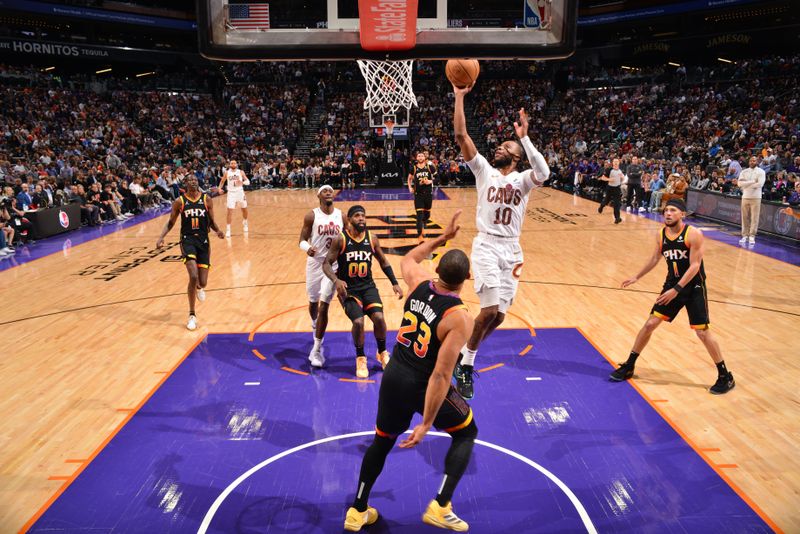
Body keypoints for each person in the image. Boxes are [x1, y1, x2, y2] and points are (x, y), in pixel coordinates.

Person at [344, 211, 476, 532]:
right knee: (465, 432)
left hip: (393, 375)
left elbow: (410, 257)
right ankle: (440, 507)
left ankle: (357, 510)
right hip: (420, 382)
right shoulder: (459, 318)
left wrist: (443, 237)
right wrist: (427, 423)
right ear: (466, 279)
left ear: (437, 268)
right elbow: (441, 376)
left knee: (382, 442)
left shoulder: (417, 282)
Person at [451, 83, 549, 399]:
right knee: (489, 309)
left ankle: (464, 354)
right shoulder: (484, 172)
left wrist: (523, 137)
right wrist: (459, 97)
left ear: (518, 156)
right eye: (501, 145)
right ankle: (465, 364)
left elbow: (544, 172)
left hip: (513, 249)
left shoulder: (522, 179)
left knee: (501, 316)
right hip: (487, 245)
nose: (500, 149)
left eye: (507, 147)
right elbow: (462, 137)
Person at [611, 198, 735, 395]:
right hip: (672, 285)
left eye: (672, 210)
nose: (667, 213)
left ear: (682, 214)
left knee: (702, 332)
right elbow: (654, 258)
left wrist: (676, 289)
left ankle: (725, 375)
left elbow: (695, 266)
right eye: (666, 210)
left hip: (693, 287)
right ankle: (630, 365)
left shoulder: (693, 234)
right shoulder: (661, 234)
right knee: (650, 324)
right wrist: (637, 276)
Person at [322, 205, 403, 378]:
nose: (361, 219)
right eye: (357, 216)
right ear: (349, 219)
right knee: (358, 322)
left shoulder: (372, 239)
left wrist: (394, 282)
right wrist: (336, 280)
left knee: (379, 318)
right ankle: (360, 357)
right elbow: (326, 264)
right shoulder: (340, 239)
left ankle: (382, 352)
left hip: (368, 287)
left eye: (363, 216)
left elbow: (383, 261)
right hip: (349, 290)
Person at [156, 175, 224, 330]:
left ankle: (200, 287)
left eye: (195, 179)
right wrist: (161, 237)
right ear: (185, 184)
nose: (193, 181)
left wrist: (218, 230)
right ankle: (192, 315)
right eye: (190, 179)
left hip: (203, 241)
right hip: (187, 241)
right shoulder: (179, 201)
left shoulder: (207, 199)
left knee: (203, 281)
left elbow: (211, 221)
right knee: (193, 276)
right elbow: (171, 222)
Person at [299, 185, 344, 368]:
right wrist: (306, 248)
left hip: (332, 265)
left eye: (330, 190)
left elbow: (348, 237)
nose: (328, 192)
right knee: (313, 302)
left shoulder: (341, 215)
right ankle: (315, 323)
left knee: (324, 302)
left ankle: (316, 350)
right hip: (315, 263)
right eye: (324, 191)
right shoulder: (312, 215)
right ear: (318, 195)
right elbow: (301, 239)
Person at [737, 155, 766, 247]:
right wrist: (753, 181)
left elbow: (760, 184)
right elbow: (739, 183)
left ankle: (752, 236)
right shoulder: (744, 171)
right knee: (744, 217)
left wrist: (746, 184)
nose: (752, 162)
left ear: (757, 162)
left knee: (754, 217)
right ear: (749, 162)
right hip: (745, 196)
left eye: (754, 161)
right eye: (750, 161)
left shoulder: (761, 171)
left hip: (756, 197)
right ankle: (744, 235)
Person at [408, 151, 437, 242]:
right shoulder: (413, 168)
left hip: (428, 194)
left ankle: (424, 223)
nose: (420, 157)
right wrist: (410, 187)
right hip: (418, 194)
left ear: (424, 158)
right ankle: (419, 234)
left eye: (422, 156)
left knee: (427, 215)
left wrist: (430, 181)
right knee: (419, 215)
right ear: (416, 158)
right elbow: (409, 178)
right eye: (419, 156)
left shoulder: (430, 167)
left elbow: (437, 177)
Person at [218, 159, 250, 238]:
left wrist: (242, 182)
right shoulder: (227, 173)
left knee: (244, 209)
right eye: (231, 163)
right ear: (229, 165)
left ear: (236, 164)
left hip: (240, 192)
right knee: (229, 211)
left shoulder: (240, 172)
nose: (233, 164)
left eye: (234, 163)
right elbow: (222, 181)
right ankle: (228, 230)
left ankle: (245, 222)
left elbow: (248, 181)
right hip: (231, 193)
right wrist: (219, 188)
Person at [598, 157, 625, 223]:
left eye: (617, 161)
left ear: (619, 163)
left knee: (617, 204)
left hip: (617, 189)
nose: (616, 162)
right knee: (606, 201)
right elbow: (603, 178)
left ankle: (617, 218)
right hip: (610, 188)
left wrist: (622, 178)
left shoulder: (620, 171)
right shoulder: (609, 170)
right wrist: (609, 179)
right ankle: (601, 206)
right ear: (612, 163)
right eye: (614, 161)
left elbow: (622, 179)